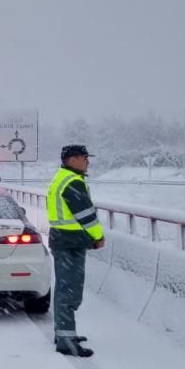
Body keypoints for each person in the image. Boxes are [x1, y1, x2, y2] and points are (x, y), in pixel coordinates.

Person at [46, 145, 105, 357]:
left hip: (64, 240)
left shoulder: (61, 177)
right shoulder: (72, 182)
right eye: (84, 157)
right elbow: (87, 216)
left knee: (65, 288)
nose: (87, 161)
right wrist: (98, 237)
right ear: (72, 160)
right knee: (69, 291)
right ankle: (66, 341)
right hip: (70, 243)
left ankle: (63, 333)